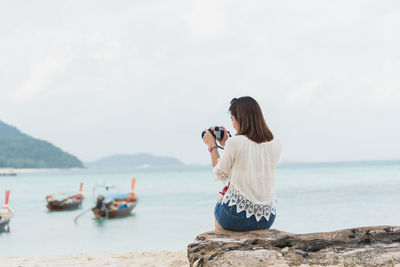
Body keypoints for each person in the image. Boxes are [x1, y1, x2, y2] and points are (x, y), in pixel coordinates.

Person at [202, 96, 282, 231]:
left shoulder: (235, 143)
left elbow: (221, 174)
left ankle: (222, 246)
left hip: (235, 217)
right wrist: (227, 143)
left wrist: (212, 146)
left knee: (221, 198)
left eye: (232, 119)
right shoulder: (275, 143)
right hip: (267, 218)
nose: (232, 124)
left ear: (240, 120)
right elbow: (251, 158)